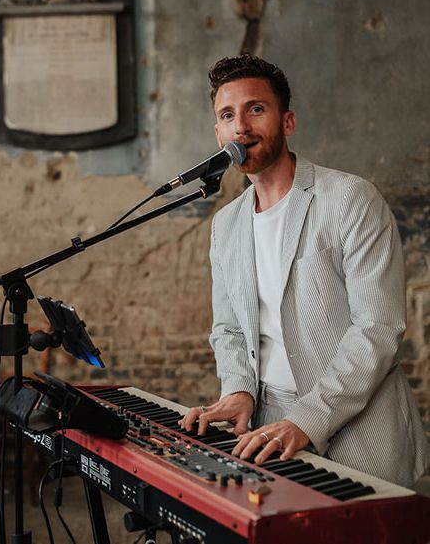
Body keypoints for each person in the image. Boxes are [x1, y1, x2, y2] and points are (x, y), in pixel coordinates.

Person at [179, 54, 429, 487]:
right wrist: (238, 388)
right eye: (227, 115)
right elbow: (229, 329)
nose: (241, 126)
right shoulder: (226, 225)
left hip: (361, 429)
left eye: (256, 109)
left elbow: (378, 327)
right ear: (218, 133)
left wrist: (306, 420)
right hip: (266, 426)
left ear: (288, 122)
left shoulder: (351, 199)